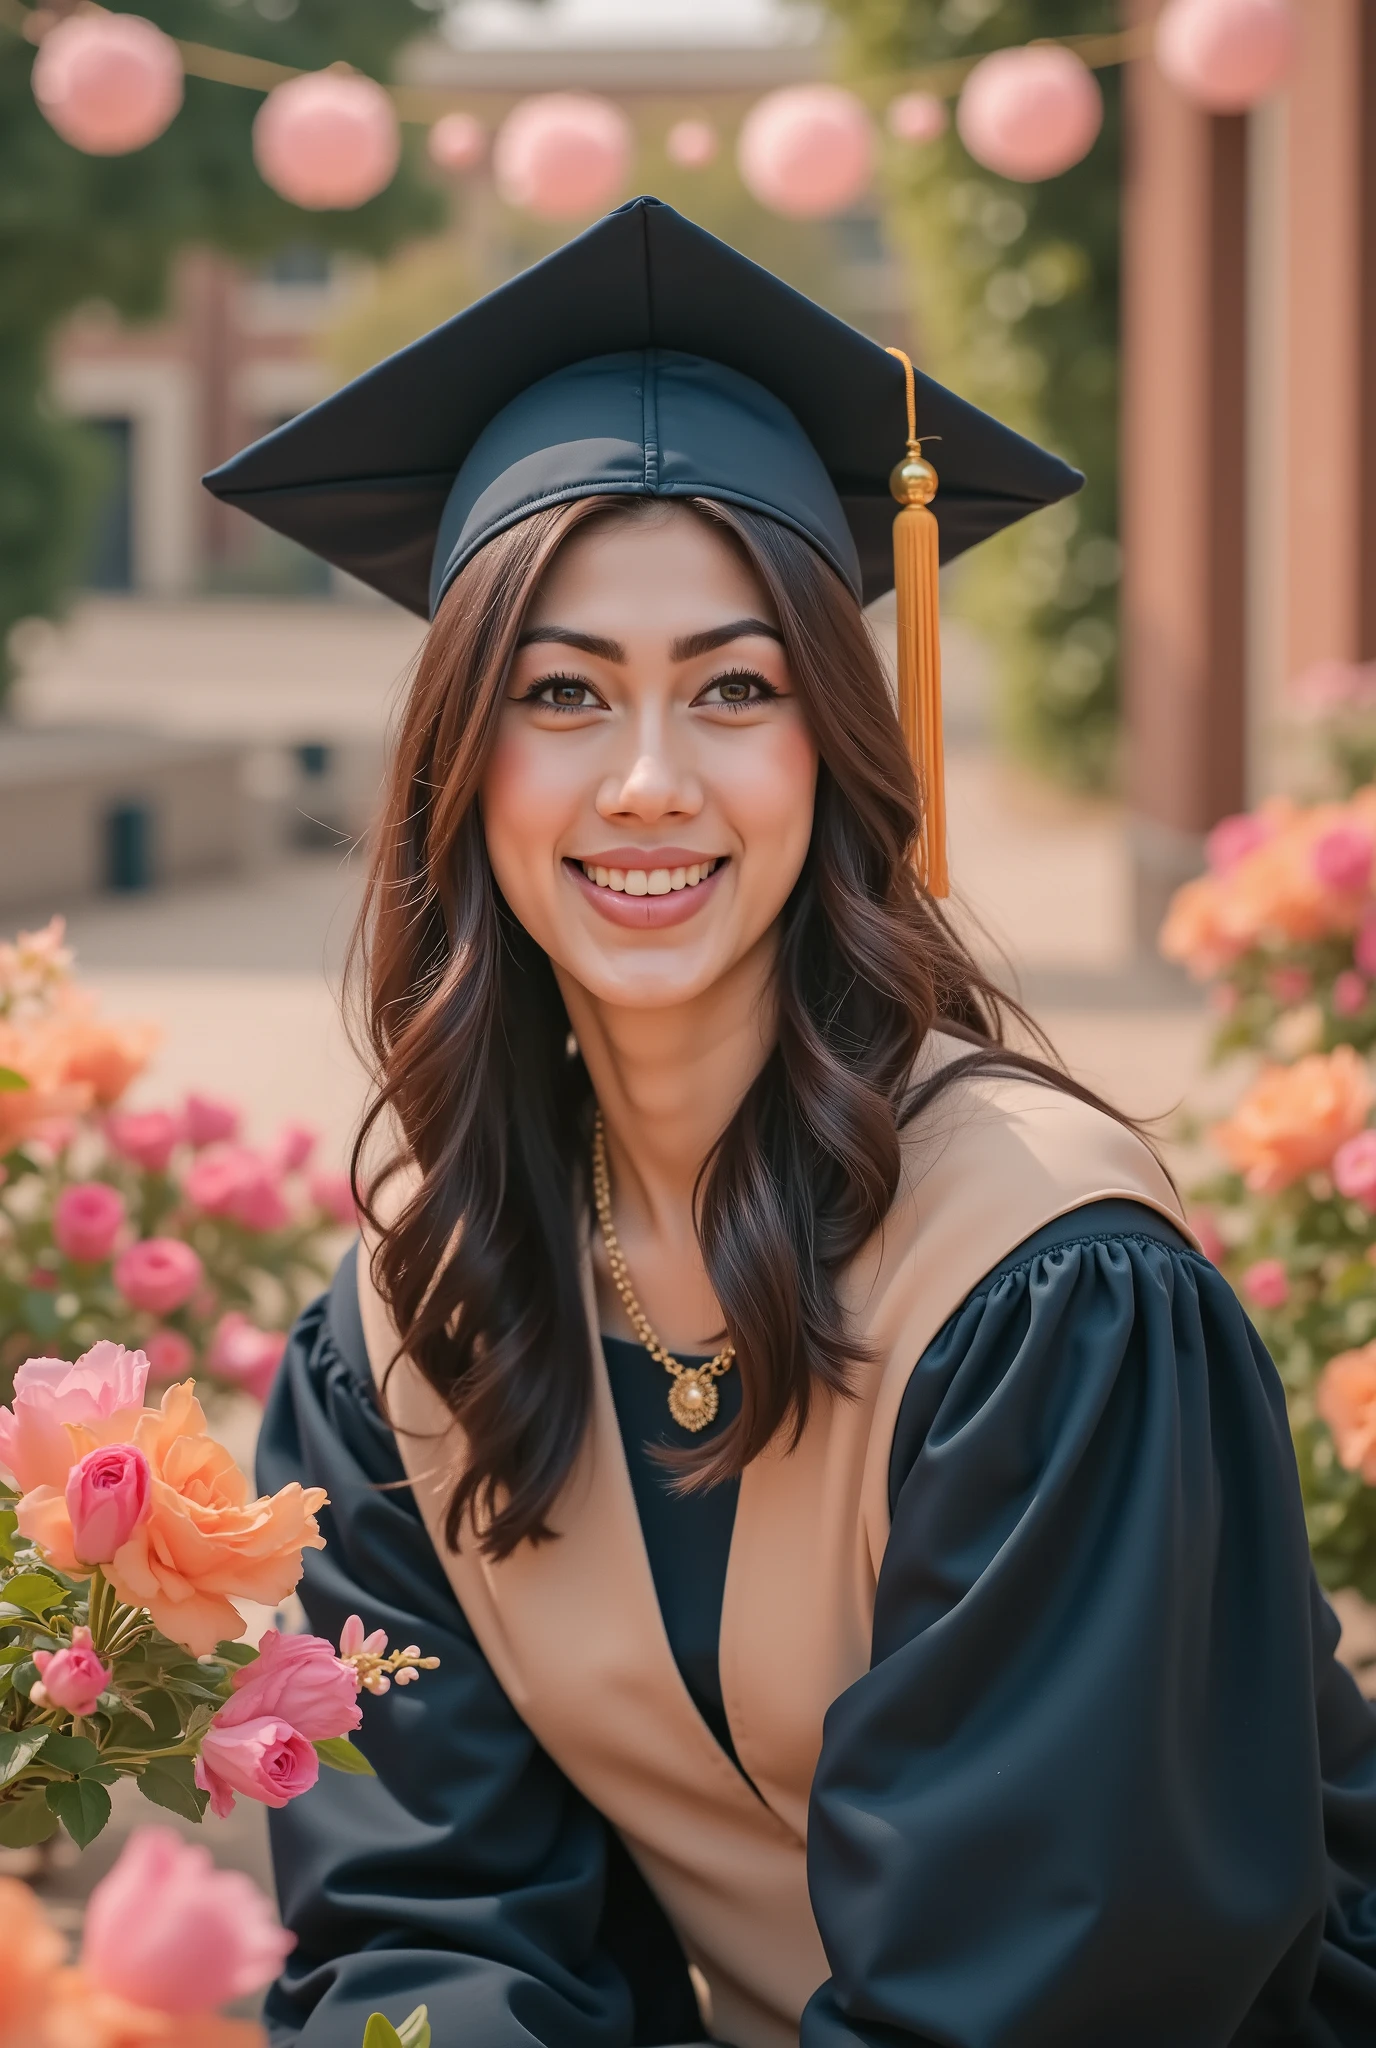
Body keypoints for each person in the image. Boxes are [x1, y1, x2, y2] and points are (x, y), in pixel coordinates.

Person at [208, 199, 1376, 2047]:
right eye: (562, 694)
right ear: (462, 767)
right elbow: (430, 1925)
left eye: (736, 689)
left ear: (839, 742)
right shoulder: (405, 1331)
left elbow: (1056, 1988)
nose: (650, 780)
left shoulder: (1044, 1285)